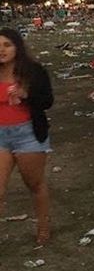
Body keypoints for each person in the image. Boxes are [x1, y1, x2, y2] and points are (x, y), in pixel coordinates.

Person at [0, 28, 53, 245]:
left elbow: (47, 101)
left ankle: (43, 227)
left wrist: (26, 95)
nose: (1, 50)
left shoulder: (33, 71)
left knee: (34, 184)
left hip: (27, 133)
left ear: (17, 47)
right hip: (0, 135)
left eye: (6, 45)